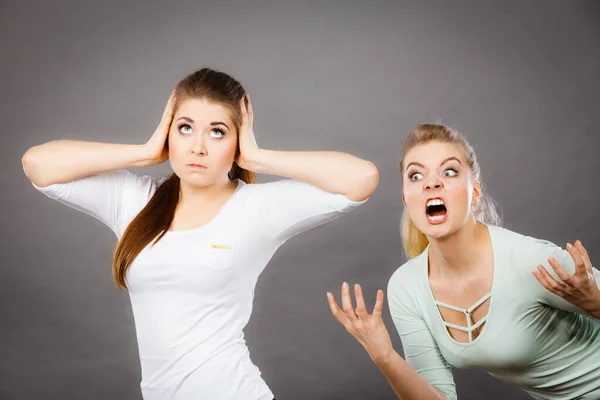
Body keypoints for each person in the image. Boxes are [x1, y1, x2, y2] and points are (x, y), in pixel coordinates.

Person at [22, 68, 379, 400]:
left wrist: (258, 158)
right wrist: (145, 153)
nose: (198, 148)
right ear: (168, 131)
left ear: (236, 140)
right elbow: (38, 164)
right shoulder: (134, 200)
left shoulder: (257, 209)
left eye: (218, 132)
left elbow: (360, 179)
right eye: (186, 127)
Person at [326, 124, 600, 400]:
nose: (431, 183)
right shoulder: (407, 287)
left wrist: (596, 303)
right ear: (406, 201)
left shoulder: (528, 260)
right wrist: (384, 355)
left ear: (475, 192)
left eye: (449, 171)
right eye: (416, 175)